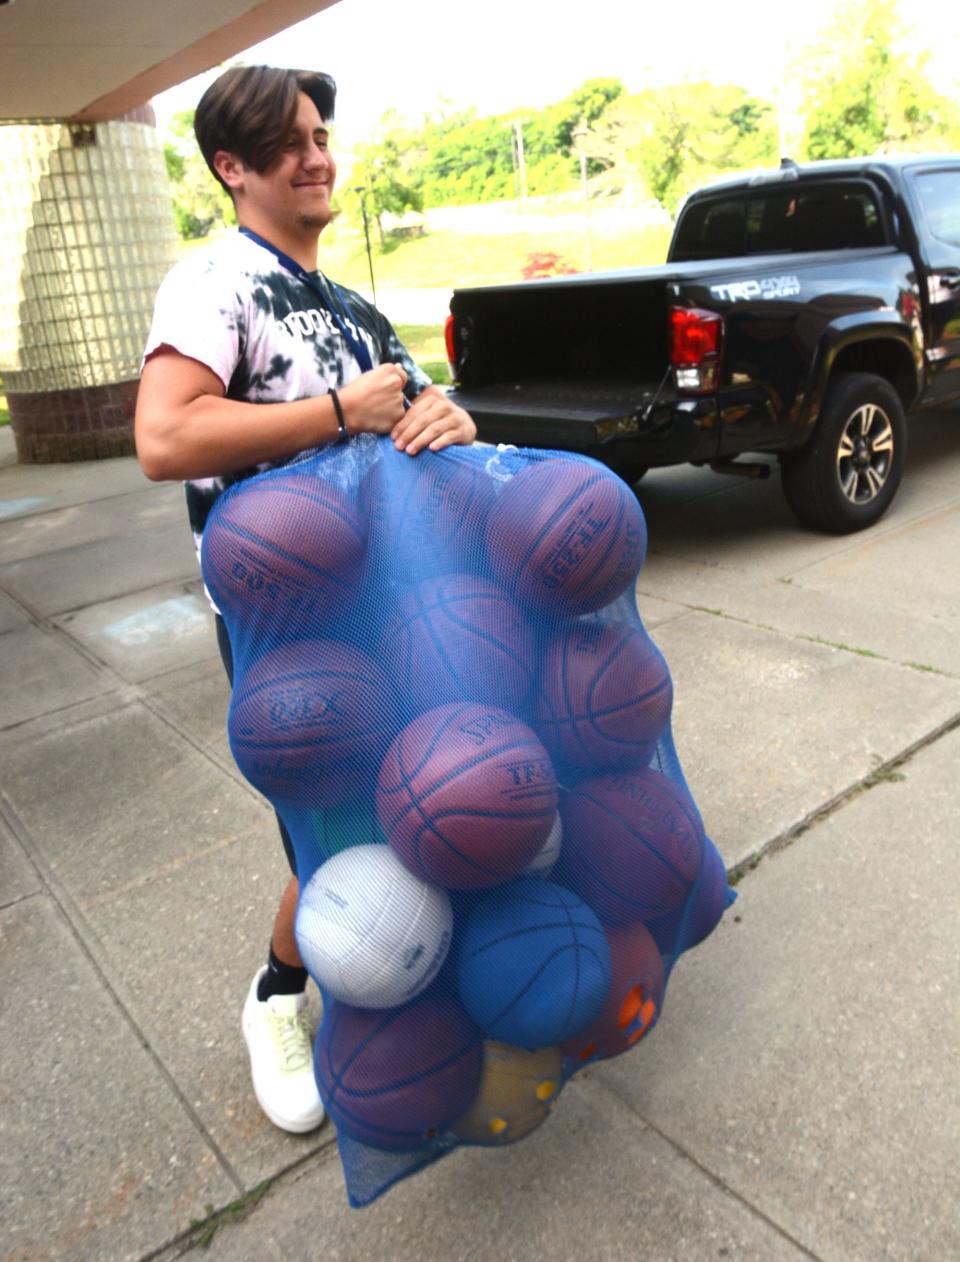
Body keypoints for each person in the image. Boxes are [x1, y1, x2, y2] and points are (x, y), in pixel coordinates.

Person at [135, 65, 476, 1135]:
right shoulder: (214, 281)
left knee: (426, 809)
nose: (318, 154)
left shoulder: (357, 306)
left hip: (393, 599)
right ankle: (279, 997)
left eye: (321, 133)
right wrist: (337, 409)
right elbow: (166, 436)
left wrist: (448, 417)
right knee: (336, 839)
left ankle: (421, 979)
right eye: (288, 142)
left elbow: (412, 414)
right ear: (231, 168)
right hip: (284, 626)